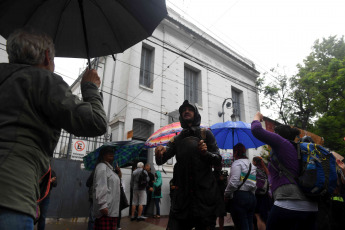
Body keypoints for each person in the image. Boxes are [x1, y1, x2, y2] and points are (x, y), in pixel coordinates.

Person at [0, 29, 107, 230]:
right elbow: (97, 122)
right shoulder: (43, 80)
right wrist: (90, 87)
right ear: (47, 57)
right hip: (11, 197)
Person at [155, 100, 221, 230]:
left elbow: (218, 159)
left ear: (195, 113)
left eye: (190, 109)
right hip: (183, 198)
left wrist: (205, 153)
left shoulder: (206, 134)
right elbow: (160, 160)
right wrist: (159, 153)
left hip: (204, 197)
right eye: (183, 110)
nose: (186, 111)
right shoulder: (177, 139)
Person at [251, 111, 318, 230]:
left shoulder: (282, 143)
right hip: (310, 206)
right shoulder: (295, 150)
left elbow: (256, 130)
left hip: (289, 202)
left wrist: (257, 116)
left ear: (277, 135)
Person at [224, 143, 257, 230]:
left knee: (241, 225)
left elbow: (233, 182)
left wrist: (226, 194)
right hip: (251, 197)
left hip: (240, 197)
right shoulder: (252, 165)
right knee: (249, 222)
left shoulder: (237, 163)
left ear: (235, 153)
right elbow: (253, 183)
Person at [93, 146, 121, 230]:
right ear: (103, 155)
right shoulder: (102, 167)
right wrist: (103, 205)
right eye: (108, 152)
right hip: (106, 211)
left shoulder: (110, 169)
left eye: (112, 152)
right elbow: (101, 186)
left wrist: (118, 174)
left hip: (112, 210)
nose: (111, 153)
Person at [252, 156, 271, 230]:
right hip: (265, 196)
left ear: (255, 162)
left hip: (257, 196)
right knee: (264, 217)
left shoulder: (254, 170)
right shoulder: (265, 170)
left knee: (257, 217)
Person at [213, 164, 228, 230]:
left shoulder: (221, 173)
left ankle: (221, 228)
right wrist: (219, 179)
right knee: (213, 214)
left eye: (220, 166)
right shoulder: (212, 174)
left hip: (221, 195)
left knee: (221, 214)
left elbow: (225, 184)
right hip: (214, 196)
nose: (220, 167)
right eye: (218, 166)